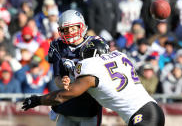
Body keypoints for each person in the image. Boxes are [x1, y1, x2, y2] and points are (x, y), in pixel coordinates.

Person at [22, 39, 165, 126]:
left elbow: (63, 95)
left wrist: (38, 100)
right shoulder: (119, 56)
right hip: (152, 109)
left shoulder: (92, 67)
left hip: (142, 116)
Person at [47, 9, 103, 126]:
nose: (70, 32)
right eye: (66, 30)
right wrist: (64, 84)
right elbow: (57, 78)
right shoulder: (58, 46)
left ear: (81, 27)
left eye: (73, 28)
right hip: (67, 105)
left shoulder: (95, 45)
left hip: (89, 104)